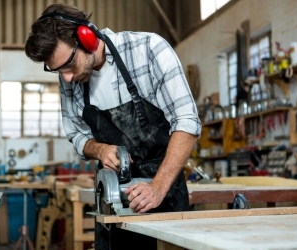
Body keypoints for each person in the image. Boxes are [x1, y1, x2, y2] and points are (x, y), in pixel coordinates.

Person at [25, 3, 201, 249]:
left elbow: (187, 122)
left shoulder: (149, 50)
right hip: (112, 198)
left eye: (68, 65)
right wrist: (100, 150)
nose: (65, 77)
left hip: (165, 193)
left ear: (87, 38)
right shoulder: (70, 76)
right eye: (57, 70)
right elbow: (76, 133)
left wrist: (158, 187)